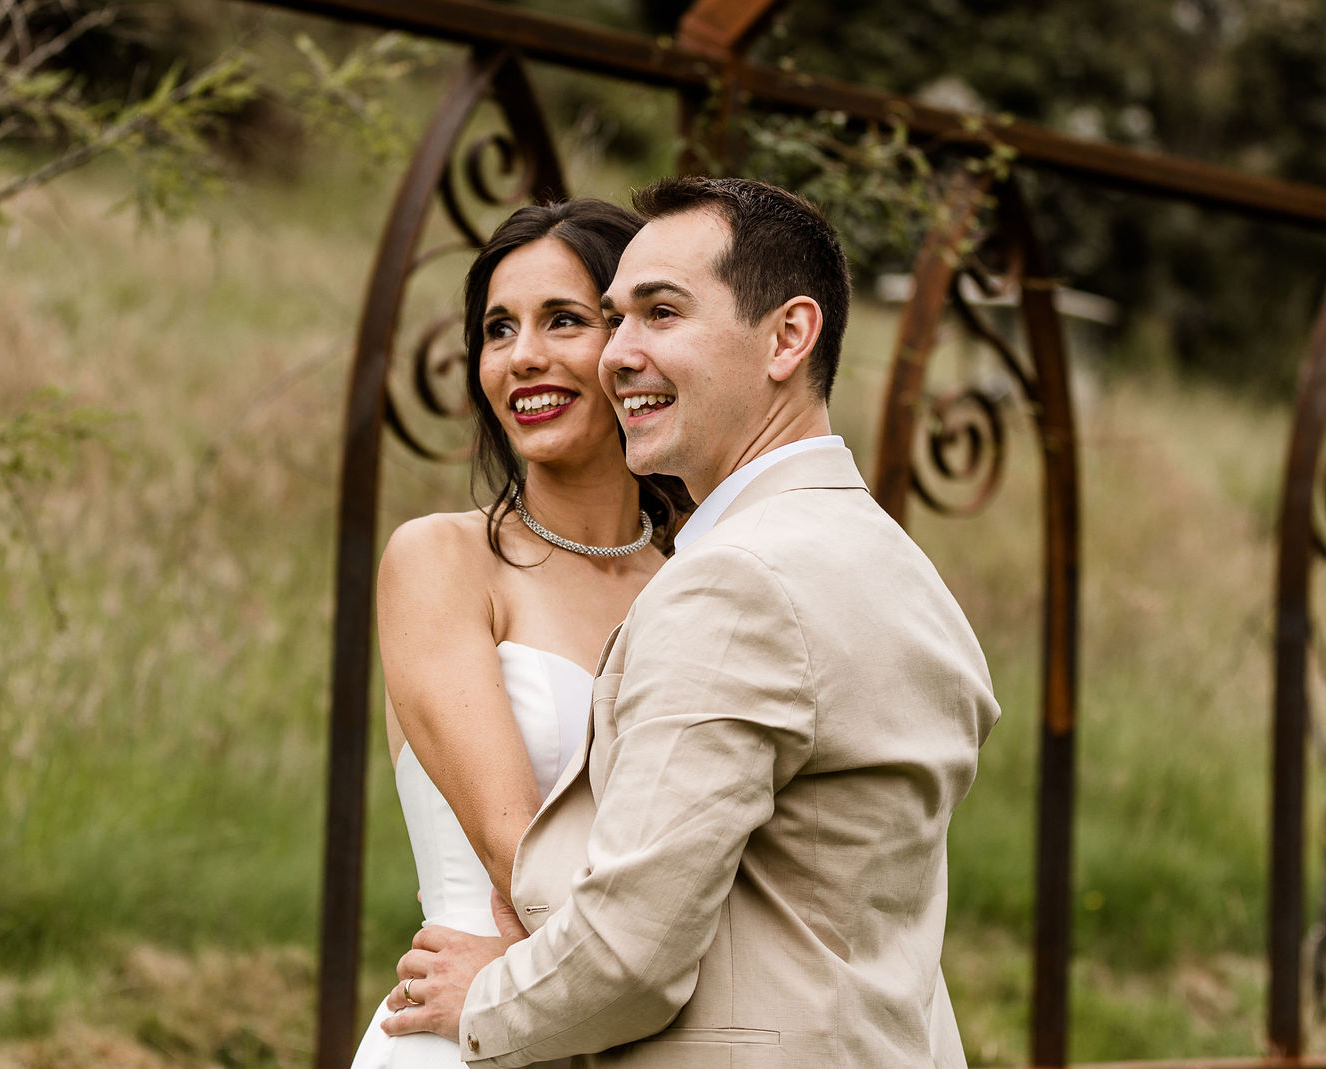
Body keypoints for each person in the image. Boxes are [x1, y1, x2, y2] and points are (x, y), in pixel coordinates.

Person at [379, 176, 1000, 1067]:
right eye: (496, 327)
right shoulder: (902, 574)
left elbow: (627, 936)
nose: (615, 353)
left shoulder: (724, 581)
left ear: (788, 336)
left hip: (543, 1009)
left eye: (648, 314)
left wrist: (490, 991)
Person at [351, 197, 690, 1069]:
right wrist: (557, 980)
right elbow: (522, 855)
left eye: (564, 320)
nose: (523, 355)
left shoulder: (694, 586)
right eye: (498, 329)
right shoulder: (445, 561)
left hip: (640, 1036)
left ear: (630, 347)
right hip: (463, 1024)